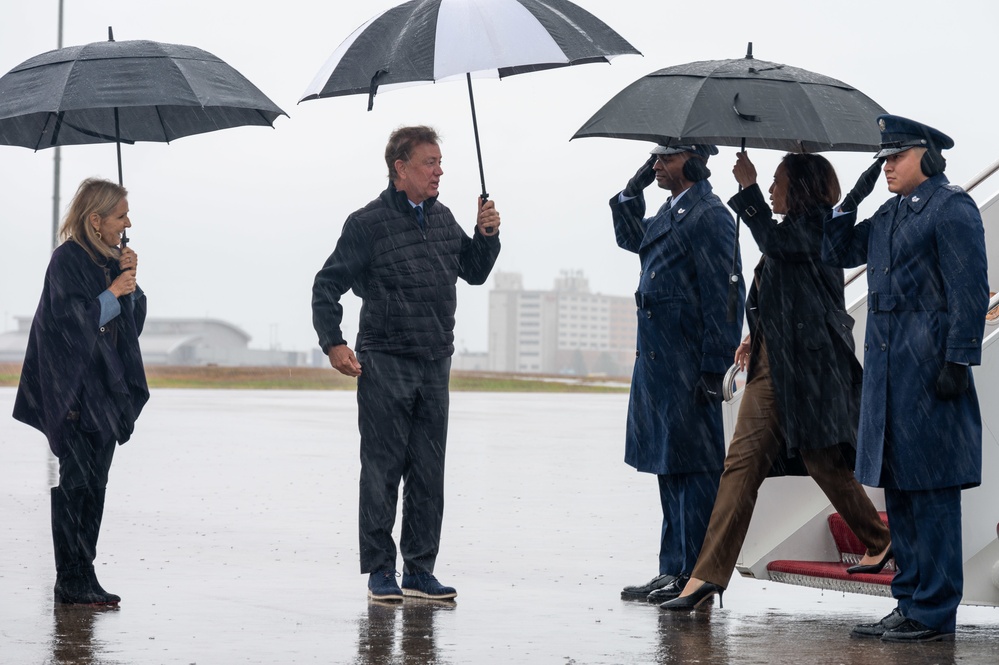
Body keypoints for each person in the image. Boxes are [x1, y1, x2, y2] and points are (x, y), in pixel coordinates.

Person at [660, 152, 892, 612]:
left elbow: (780, 245)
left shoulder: (820, 226)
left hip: (811, 370)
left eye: (776, 181)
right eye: (765, 183)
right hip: (772, 364)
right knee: (740, 467)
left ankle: (879, 538)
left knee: (823, 461)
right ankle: (705, 577)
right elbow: (782, 286)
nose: (769, 188)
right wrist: (755, 333)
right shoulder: (790, 232)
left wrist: (745, 191)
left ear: (801, 188)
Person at [312, 125, 501, 602]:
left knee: (428, 471)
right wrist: (333, 343)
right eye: (429, 163)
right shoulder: (366, 223)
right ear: (400, 169)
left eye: (440, 163)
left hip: (435, 360)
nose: (439, 171)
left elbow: (474, 273)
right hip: (385, 360)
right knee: (382, 470)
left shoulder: (443, 219)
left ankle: (419, 570)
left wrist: (486, 235)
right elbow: (326, 285)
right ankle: (380, 571)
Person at [822, 115, 989, 642]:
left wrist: (957, 361)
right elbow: (834, 249)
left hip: (931, 373)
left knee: (933, 496)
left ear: (928, 155)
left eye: (895, 156)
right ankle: (908, 602)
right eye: (882, 157)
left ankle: (934, 612)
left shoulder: (952, 208)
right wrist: (855, 194)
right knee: (901, 492)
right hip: (890, 378)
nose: (887, 165)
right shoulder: (889, 214)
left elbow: (969, 289)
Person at [611, 145, 745, 602]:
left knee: (696, 472)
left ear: (691, 160)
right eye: (654, 158)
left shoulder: (710, 215)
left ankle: (696, 572)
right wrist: (632, 192)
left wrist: (715, 367)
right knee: (670, 469)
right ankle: (672, 568)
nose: (656, 165)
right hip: (660, 363)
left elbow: (725, 297)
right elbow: (633, 238)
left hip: (690, 364)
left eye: (665, 158)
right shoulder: (674, 209)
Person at [13, 177, 148, 606]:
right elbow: (68, 324)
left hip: (106, 391)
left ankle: (85, 571)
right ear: (96, 219)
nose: (128, 222)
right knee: (76, 482)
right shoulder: (66, 260)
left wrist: (129, 279)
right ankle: (68, 578)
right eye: (121, 215)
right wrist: (111, 292)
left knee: (98, 484)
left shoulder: (110, 261)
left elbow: (131, 326)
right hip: (73, 391)